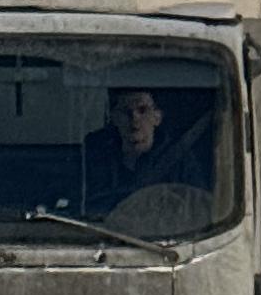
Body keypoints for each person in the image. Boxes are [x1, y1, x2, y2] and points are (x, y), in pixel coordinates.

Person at [78, 85, 203, 216]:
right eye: (125, 111)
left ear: (157, 117)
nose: (134, 118)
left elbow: (197, 208)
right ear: (114, 118)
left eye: (142, 110)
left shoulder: (181, 161)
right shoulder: (94, 158)